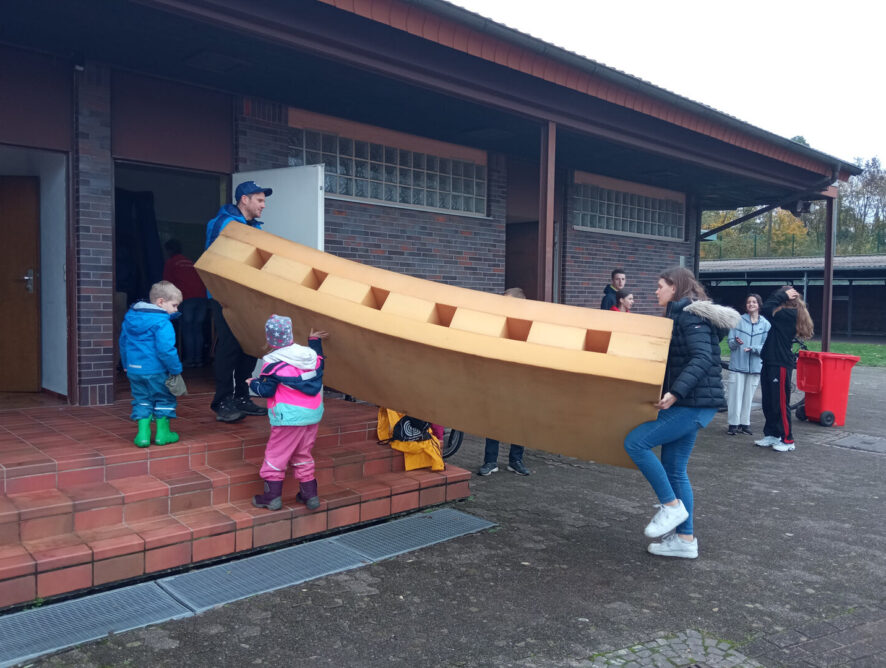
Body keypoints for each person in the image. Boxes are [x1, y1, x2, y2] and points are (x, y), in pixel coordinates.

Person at [623, 267, 739, 559]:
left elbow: (702, 358)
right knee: (674, 468)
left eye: (660, 285)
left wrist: (675, 392)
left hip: (693, 404)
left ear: (674, 287)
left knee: (636, 442)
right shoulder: (681, 316)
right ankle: (685, 540)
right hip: (693, 404)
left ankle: (671, 507)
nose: (656, 291)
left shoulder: (690, 316)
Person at [205, 180, 273, 422]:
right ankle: (223, 401)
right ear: (244, 199)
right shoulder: (223, 223)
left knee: (250, 346)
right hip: (225, 297)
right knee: (229, 347)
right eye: (259, 200)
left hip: (249, 298)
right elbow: (215, 259)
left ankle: (242, 397)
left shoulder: (255, 228)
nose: (263, 205)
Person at [250, 315, 328, 512]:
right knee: (303, 453)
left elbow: (266, 391)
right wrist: (314, 341)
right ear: (290, 334)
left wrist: (254, 384)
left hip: (289, 418)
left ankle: (272, 497)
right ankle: (310, 495)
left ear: (269, 339)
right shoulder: (309, 356)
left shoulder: (273, 362)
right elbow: (319, 359)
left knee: (276, 455)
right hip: (312, 414)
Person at [119, 281, 184, 448]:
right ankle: (163, 434)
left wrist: (126, 364)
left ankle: (143, 435)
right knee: (164, 398)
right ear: (161, 302)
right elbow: (166, 349)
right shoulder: (163, 322)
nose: (176, 310)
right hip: (157, 370)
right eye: (174, 305)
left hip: (134, 370)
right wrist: (175, 369)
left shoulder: (130, 318)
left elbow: (123, 342)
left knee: (141, 399)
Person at [478, 286, 531, 477]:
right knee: (494, 419)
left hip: (520, 379)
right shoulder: (497, 323)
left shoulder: (527, 326)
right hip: (498, 377)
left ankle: (516, 460)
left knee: (519, 420)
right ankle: (490, 461)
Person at [755, 286, 814, 452]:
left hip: (780, 363)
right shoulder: (782, 314)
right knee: (769, 401)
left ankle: (788, 439)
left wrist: (781, 295)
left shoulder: (789, 314)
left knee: (780, 403)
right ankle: (772, 434)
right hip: (770, 361)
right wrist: (782, 296)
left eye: (780, 295)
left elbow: (765, 309)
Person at [726, 294, 770, 436]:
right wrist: (736, 342)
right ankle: (733, 424)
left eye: (754, 302)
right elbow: (730, 343)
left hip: (755, 366)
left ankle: (745, 423)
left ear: (759, 305)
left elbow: (767, 346)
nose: (751, 304)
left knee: (748, 397)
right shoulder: (737, 321)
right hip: (738, 365)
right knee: (735, 396)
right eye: (749, 302)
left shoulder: (765, 324)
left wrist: (754, 348)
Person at [162, 239, 208, 368]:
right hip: (201, 298)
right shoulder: (190, 262)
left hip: (186, 298)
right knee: (197, 329)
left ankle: (189, 360)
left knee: (188, 330)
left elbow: (166, 284)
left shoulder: (171, 262)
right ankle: (198, 360)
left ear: (169, 250)